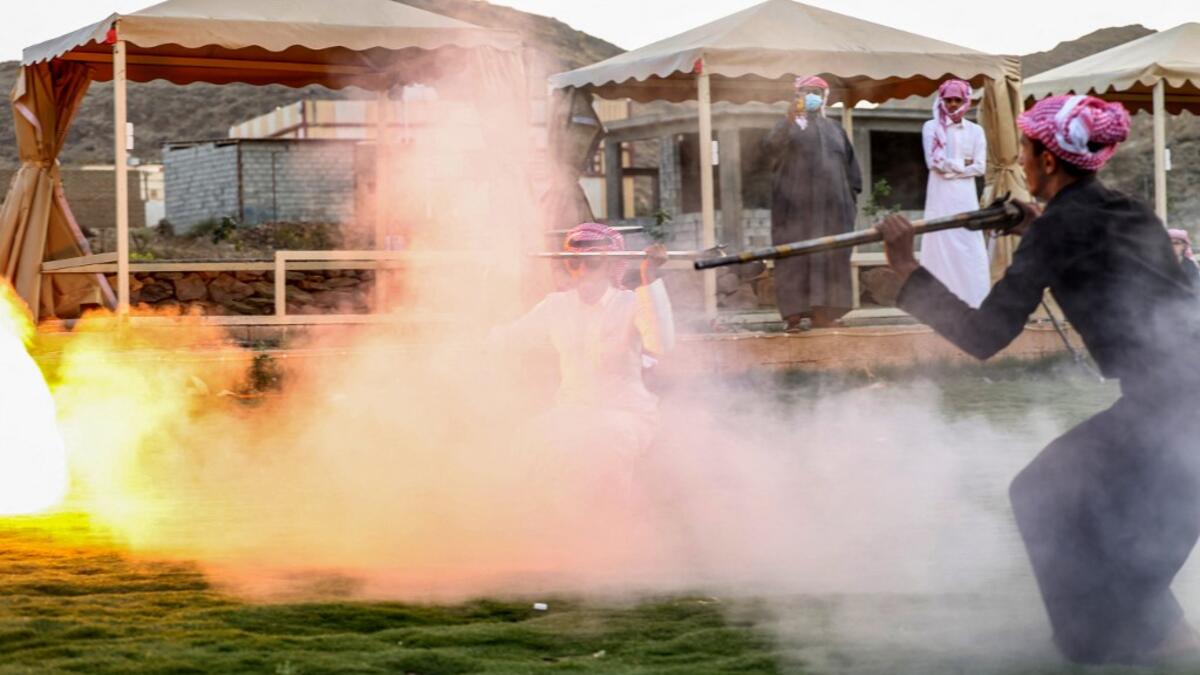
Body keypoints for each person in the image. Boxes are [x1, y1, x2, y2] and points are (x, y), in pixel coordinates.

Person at [877, 94, 1200, 666]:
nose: (1022, 161)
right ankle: (1141, 636)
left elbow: (983, 335)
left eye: (1026, 151)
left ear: (1049, 160)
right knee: (1099, 510)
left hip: (1171, 403)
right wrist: (1040, 226)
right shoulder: (1131, 210)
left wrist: (907, 268)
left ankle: (1107, 640)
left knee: (1043, 494)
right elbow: (1100, 251)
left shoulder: (1057, 230)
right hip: (1179, 392)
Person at [491, 223, 675, 458]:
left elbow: (661, 343)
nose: (583, 271)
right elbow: (509, 339)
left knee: (604, 446)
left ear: (611, 265)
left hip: (625, 413)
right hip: (572, 412)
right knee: (526, 445)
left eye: (592, 262)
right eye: (574, 262)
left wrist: (649, 277)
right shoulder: (556, 305)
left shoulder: (631, 303)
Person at [765, 75, 863, 331]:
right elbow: (771, 148)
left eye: (817, 92)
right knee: (794, 257)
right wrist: (790, 120)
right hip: (796, 208)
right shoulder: (788, 125)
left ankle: (824, 314)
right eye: (807, 91)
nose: (812, 96)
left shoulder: (835, 129)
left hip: (833, 210)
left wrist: (848, 200)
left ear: (824, 97)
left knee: (831, 256)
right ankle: (794, 316)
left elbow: (852, 168)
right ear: (797, 95)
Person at [920, 79, 990, 307]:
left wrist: (950, 167)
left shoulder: (975, 131)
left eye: (957, 100)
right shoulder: (931, 127)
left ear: (965, 101)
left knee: (968, 244)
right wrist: (962, 165)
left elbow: (980, 167)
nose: (952, 104)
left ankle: (973, 301)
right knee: (939, 242)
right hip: (940, 196)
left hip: (965, 198)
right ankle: (938, 303)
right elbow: (933, 162)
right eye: (948, 100)